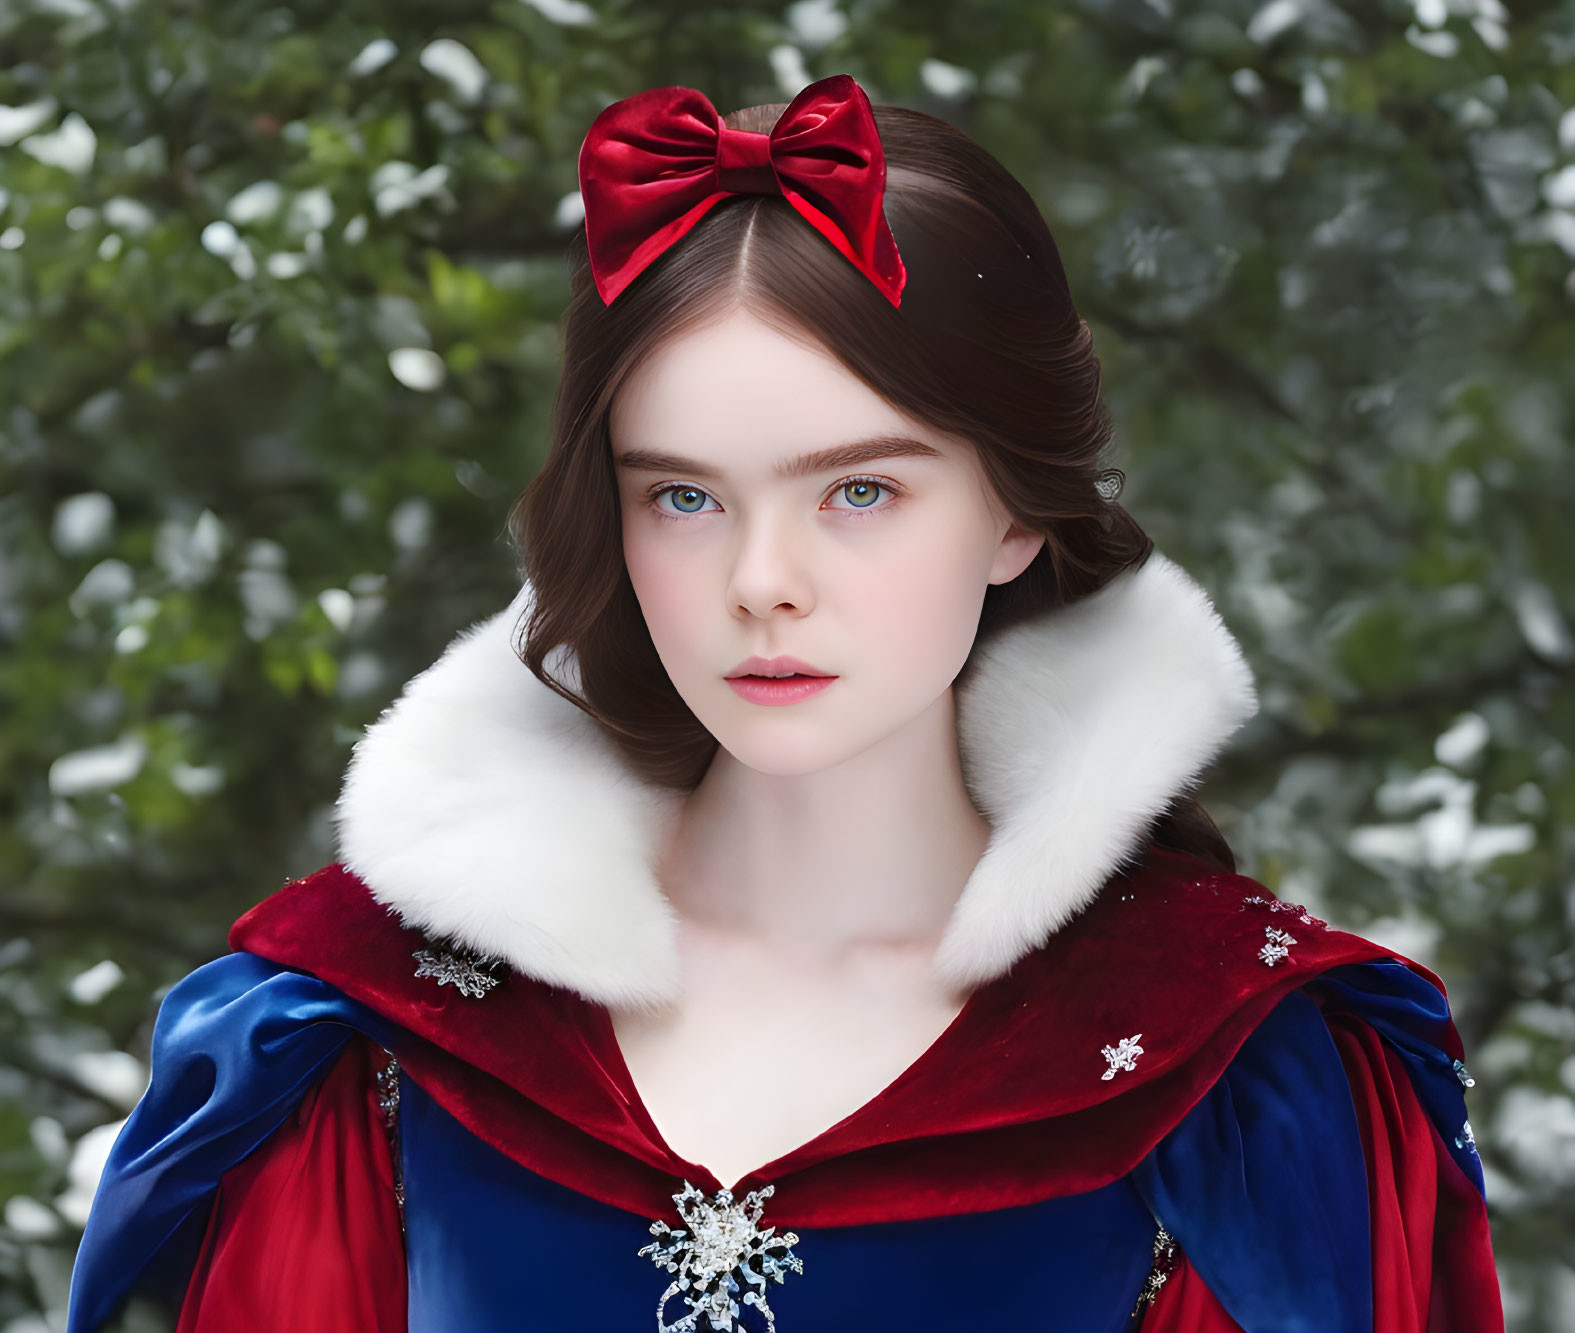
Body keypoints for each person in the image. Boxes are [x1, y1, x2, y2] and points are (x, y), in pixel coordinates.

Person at [66, 73, 1503, 1332]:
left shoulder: (1241, 1068)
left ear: (1015, 510)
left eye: (859, 489)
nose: (764, 580)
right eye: (685, 495)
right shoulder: (356, 1034)